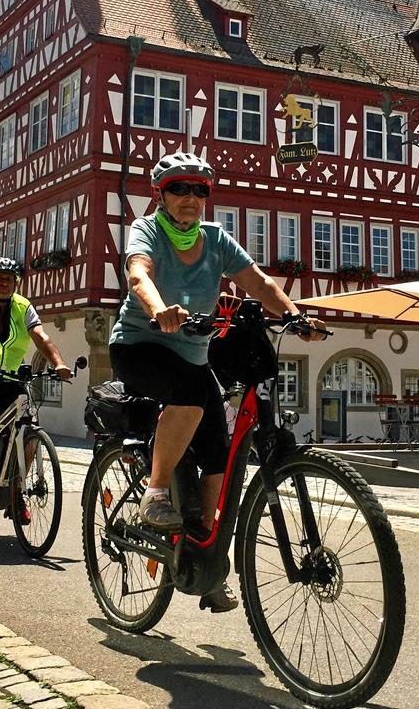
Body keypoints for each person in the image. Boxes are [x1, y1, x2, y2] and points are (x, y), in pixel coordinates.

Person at [109, 151, 326, 613]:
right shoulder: (147, 230)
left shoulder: (216, 239)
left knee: (217, 452)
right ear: (161, 194)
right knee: (189, 395)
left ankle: (205, 553)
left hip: (190, 354)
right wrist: (158, 308)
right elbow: (138, 274)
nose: (190, 198)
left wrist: (294, 315)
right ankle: (155, 491)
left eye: (199, 190)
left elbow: (260, 282)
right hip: (139, 347)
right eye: (179, 189)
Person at [0, 257, 72, 525]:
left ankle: (15, 492)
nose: (4, 282)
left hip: (9, 376)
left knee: (27, 429)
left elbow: (41, 337)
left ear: (16, 282)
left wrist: (59, 364)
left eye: (9, 278)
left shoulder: (24, 307)